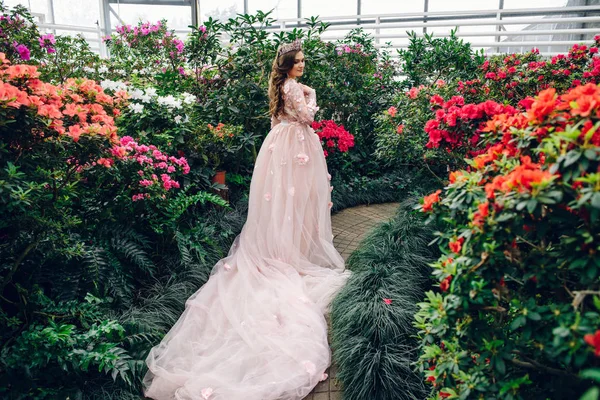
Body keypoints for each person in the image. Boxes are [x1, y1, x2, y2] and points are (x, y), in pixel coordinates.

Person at [143, 39, 350, 400]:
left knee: (287, 204)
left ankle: (288, 249)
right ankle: (291, 254)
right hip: (294, 144)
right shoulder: (293, 88)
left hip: (281, 146)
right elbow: (307, 117)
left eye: (303, 61)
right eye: (297, 61)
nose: (302, 65)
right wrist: (312, 94)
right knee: (295, 203)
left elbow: (278, 118)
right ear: (286, 65)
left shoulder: (282, 88)